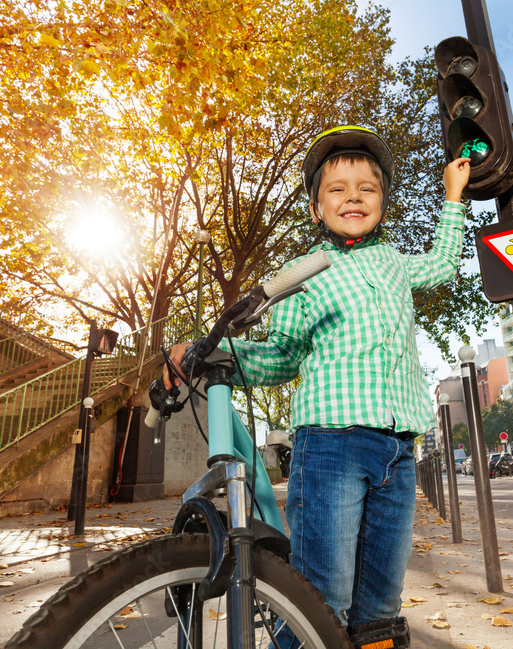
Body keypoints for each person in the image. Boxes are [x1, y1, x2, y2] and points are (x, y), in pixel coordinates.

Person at [164, 126, 470, 644]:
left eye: (367, 188)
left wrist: (453, 195)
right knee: (319, 597)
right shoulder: (301, 273)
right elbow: (282, 356)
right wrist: (219, 357)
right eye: (337, 188)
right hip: (332, 446)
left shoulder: (394, 261)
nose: (353, 195)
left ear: (382, 205)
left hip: (397, 448)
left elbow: (442, 264)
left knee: (379, 602)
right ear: (315, 208)